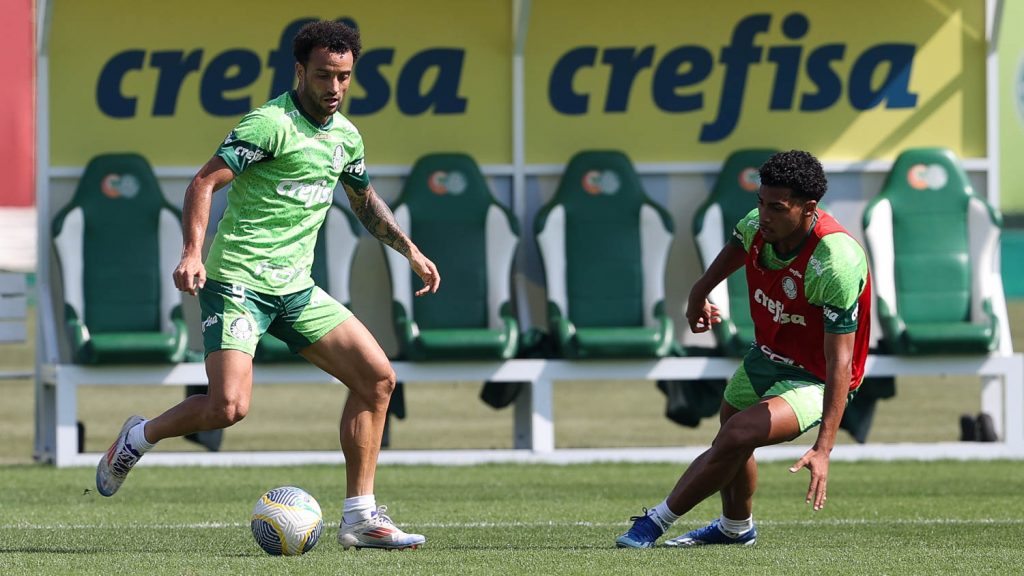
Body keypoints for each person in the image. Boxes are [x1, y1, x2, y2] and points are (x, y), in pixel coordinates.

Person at [96, 20, 439, 551]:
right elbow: (203, 182)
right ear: (300, 71)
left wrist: (409, 249)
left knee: (377, 380)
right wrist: (192, 251)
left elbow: (363, 199)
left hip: (295, 290)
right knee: (228, 408)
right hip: (236, 282)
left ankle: (361, 518)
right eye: (324, 75)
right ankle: (138, 437)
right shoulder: (268, 125)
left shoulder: (345, 136)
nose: (334, 88)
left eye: (345, 77)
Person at [616, 150, 871, 548]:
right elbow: (733, 253)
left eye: (776, 207)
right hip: (765, 357)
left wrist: (824, 448)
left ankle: (654, 521)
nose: (763, 215)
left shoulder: (834, 261)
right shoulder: (757, 227)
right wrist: (698, 294)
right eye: (760, 202)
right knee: (732, 436)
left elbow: (840, 360)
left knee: (737, 434)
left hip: (816, 377)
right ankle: (736, 528)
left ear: (809, 209)